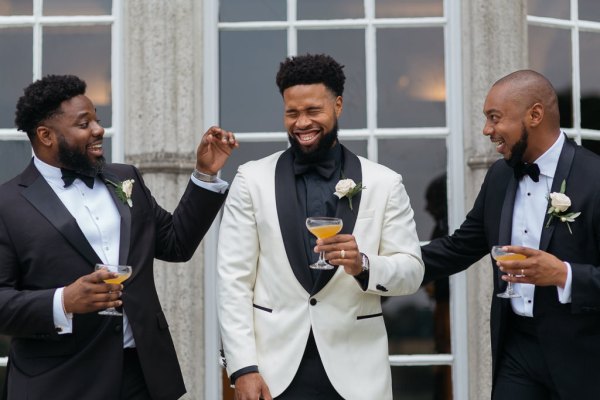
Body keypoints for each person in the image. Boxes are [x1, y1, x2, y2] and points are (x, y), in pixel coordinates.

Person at [0, 74, 237, 400]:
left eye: (97, 120)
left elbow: (175, 244)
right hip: (60, 382)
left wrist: (205, 175)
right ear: (46, 135)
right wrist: (63, 302)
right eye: (84, 124)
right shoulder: (7, 204)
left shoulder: (125, 179)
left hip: (143, 375)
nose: (99, 130)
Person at [217, 53, 424, 400]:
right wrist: (243, 368)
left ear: (338, 105)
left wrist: (364, 265)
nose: (301, 123)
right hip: (273, 373)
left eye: (313, 111)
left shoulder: (385, 182)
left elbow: (411, 272)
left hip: (358, 376)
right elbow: (233, 281)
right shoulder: (250, 180)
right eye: (292, 113)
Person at [421, 70, 600, 400]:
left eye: (494, 118)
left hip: (585, 359)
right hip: (517, 351)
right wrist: (381, 263)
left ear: (534, 114)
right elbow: (459, 247)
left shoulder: (594, 178)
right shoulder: (500, 176)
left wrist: (564, 275)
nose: (487, 130)